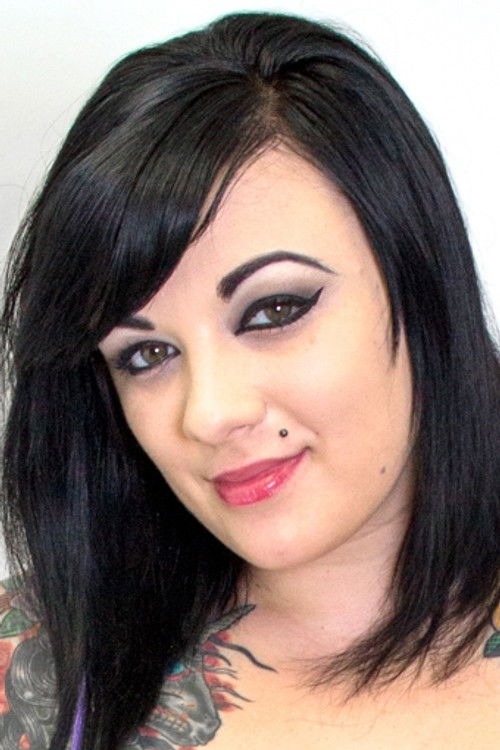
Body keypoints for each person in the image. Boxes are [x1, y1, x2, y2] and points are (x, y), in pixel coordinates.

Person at [1, 10, 499, 750]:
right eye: (146, 355)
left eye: (274, 311)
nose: (208, 413)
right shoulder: (32, 671)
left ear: (418, 279)